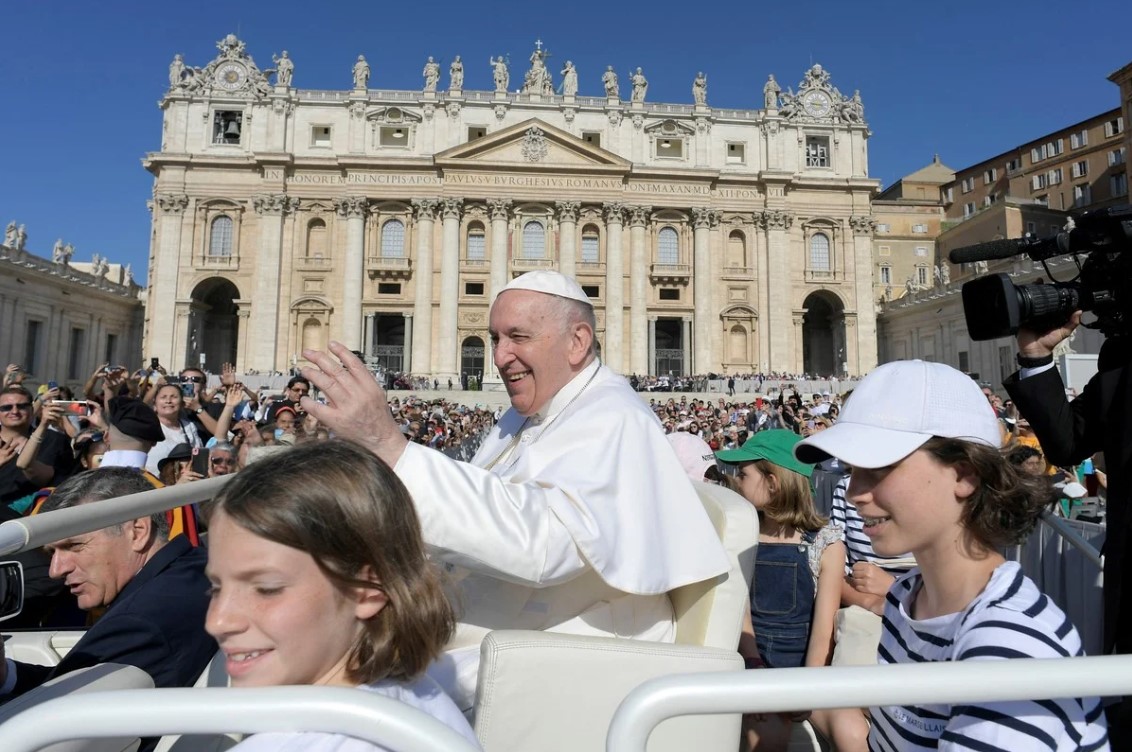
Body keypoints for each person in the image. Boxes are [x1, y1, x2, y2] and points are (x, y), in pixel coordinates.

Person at [301, 270, 729, 710]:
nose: (501, 356)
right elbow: (487, 500)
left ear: (577, 342)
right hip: (518, 625)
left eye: (518, 337)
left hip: (572, 647)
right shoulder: (525, 414)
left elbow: (543, 545)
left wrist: (390, 446)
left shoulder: (615, 416)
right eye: (495, 339)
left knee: (354, 695)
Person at [796, 359, 1109, 749]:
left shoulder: (1010, 652)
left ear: (964, 475)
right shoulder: (904, 600)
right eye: (850, 468)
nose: (852, 491)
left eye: (879, 468)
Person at [204, 439, 478, 749]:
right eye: (215, 587)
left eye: (266, 589)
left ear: (367, 590)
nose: (217, 621)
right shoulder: (419, 701)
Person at [0, 468, 216, 704]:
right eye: (52, 552)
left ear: (138, 532)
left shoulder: (135, 623)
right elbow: (69, 688)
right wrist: (5, 675)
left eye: (74, 546)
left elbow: (56, 713)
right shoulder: (201, 570)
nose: (56, 570)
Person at [719, 430, 844, 751]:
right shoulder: (739, 532)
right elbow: (739, 607)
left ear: (773, 483)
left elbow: (823, 629)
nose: (736, 480)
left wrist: (808, 687)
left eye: (744, 473)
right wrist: (753, 664)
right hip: (748, 662)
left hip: (796, 670)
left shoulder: (825, 542)